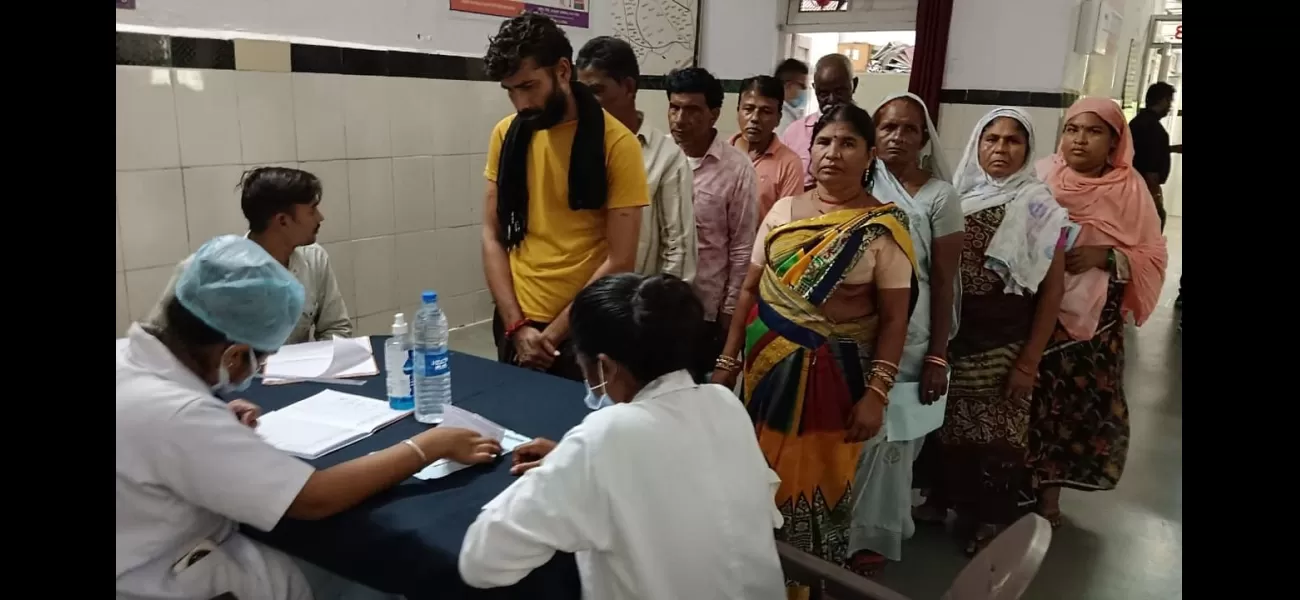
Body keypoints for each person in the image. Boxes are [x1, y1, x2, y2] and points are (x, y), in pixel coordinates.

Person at [117, 235, 502, 600]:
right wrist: (429, 445)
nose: (257, 369)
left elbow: (156, 429)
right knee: (373, 575)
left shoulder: (127, 361)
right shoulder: (182, 417)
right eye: (260, 358)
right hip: (162, 578)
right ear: (233, 355)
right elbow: (314, 499)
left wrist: (213, 413)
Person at [459, 273, 786, 600]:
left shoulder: (605, 436)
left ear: (604, 367)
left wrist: (569, 467)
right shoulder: (724, 402)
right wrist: (578, 464)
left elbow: (482, 560)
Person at [711, 103, 916, 584]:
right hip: (764, 375)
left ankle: (807, 583)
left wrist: (877, 393)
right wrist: (728, 359)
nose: (832, 154)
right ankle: (750, 578)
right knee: (753, 475)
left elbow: (894, 319)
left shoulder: (884, 226)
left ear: (869, 156)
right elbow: (748, 290)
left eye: (848, 144)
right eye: (824, 142)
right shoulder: (784, 210)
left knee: (817, 485)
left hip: (835, 381)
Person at [914, 108, 1071, 555]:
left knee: (996, 434)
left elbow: (1051, 292)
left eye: (1012, 141)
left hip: (1005, 338)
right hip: (951, 333)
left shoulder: (1042, 206)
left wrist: (1028, 361)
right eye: (991, 139)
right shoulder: (954, 198)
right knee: (944, 426)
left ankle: (989, 518)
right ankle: (940, 498)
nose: (1000, 149)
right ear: (976, 145)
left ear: (1028, 150)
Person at [481, 14, 650, 382]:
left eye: (528, 86)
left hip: (584, 328)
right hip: (516, 320)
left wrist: (550, 336)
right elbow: (492, 234)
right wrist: (516, 327)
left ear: (562, 70)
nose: (520, 104)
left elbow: (620, 259)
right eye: (510, 91)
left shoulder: (616, 144)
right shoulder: (506, 136)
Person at [1029, 97, 1167, 528]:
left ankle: (1048, 498)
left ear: (1113, 141)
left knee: (1069, 407)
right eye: (1072, 129)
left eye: (1093, 132)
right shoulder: (1041, 176)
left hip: (1092, 326)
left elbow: (1153, 254)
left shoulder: (1129, 190)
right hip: (1031, 309)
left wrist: (1104, 256)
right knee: (1027, 399)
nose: (1080, 140)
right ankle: (1010, 487)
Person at [845, 92, 962, 573]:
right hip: (856, 327)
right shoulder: (859, 181)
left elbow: (944, 281)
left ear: (924, 139)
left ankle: (878, 534)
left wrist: (937, 355)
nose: (897, 136)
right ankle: (840, 527)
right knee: (855, 430)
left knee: (894, 441)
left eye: (909, 129)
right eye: (888, 127)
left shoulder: (939, 196)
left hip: (912, 332)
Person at [146, 167, 351, 344]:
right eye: (312, 210)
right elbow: (155, 339)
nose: (320, 217)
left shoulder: (315, 259)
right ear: (282, 221)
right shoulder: (211, 269)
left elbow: (337, 329)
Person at [575, 36, 698, 282]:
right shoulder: (573, 146)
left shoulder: (665, 157)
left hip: (631, 305)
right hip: (574, 302)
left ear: (629, 87)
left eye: (596, 91)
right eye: (581, 93)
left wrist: (659, 310)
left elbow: (679, 251)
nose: (585, 103)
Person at [665, 67, 759, 379]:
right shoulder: (658, 156)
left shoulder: (737, 168)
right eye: (674, 107)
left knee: (694, 399)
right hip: (654, 301)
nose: (680, 119)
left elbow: (742, 247)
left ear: (714, 114)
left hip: (704, 309)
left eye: (692, 110)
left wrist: (730, 312)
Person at [730, 75, 805, 222]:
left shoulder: (789, 164)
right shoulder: (718, 155)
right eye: (748, 109)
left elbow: (785, 223)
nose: (755, 118)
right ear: (738, 111)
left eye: (766, 111)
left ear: (778, 118)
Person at [780, 53, 858, 190]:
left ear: (854, 85)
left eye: (840, 91)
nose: (832, 99)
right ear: (815, 88)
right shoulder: (794, 133)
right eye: (823, 93)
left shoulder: (868, 131)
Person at [1128, 81, 1182, 231]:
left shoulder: (1138, 122)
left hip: (1133, 186)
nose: (1170, 106)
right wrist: (1154, 198)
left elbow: (1145, 151)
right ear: (1163, 100)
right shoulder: (1154, 129)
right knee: (1155, 223)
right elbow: (1149, 166)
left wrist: (1169, 149)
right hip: (1144, 188)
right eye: (1169, 101)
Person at [774, 58, 810, 135]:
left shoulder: (789, 115)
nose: (805, 91)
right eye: (802, 86)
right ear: (788, 85)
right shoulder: (782, 120)